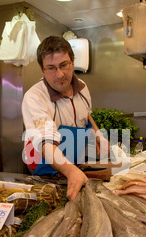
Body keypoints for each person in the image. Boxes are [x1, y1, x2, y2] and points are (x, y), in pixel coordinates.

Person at [22, 36, 109, 200]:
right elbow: (46, 144)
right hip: (45, 169)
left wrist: (98, 134)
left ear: (72, 62)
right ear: (43, 70)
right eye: (51, 68)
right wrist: (70, 171)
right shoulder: (34, 97)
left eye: (64, 65)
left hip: (74, 163)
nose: (60, 74)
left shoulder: (83, 88)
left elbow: (87, 115)